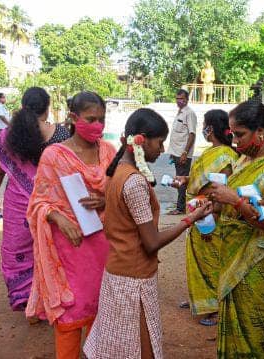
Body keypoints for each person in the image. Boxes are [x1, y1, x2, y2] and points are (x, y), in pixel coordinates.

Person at [83, 109, 213, 359]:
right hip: (134, 279)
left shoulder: (118, 172)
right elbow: (151, 243)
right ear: (141, 140)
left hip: (119, 272)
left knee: (117, 345)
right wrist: (190, 219)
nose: (162, 149)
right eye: (160, 141)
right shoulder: (134, 183)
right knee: (141, 348)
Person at [206, 100, 264, 358]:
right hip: (234, 258)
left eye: (240, 135)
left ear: (260, 131)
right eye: (232, 135)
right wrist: (214, 204)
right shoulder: (245, 160)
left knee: (255, 338)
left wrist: (234, 201)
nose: (235, 141)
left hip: (257, 267)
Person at [26, 91, 115, 358]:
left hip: (105, 245)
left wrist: (104, 200)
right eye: (91, 119)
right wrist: (58, 217)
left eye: (102, 119)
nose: (97, 125)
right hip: (70, 247)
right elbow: (38, 202)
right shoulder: (54, 156)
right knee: (72, 310)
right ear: (74, 118)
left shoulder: (109, 152)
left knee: (103, 310)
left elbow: (122, 193)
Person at [0, 87, 70, 315]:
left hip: (18, 204)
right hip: (52, 203)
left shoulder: (8, 135)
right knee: (50, 250)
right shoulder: (61, 135)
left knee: (18, 251)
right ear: (47, 108)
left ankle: (26, 302)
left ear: (23, 106)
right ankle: (49, 300)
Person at [174, 109, 238, 326]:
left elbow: (223, 187)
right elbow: (199, 179)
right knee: (197, 258)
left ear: (210, 129)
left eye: (205, 124)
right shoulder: (211, 152)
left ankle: (216, 307)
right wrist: (185, 179)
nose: (203, 129)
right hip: (198, 211)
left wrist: (212, 207)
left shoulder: (226, 156)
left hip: (212, 215)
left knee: (212, 261)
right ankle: (199, 300)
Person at [167, 89, 197, 215]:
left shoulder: (189, 113)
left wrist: (185, 152)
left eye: (182, 98)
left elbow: (192, 134)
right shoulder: (180, 113)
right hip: (176, 152)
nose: (179, 101)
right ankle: (181, 205)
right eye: (177, 98)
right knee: (179, 179)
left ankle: (180, 208)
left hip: (183, 154)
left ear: (187, 100)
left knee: (181, 181)